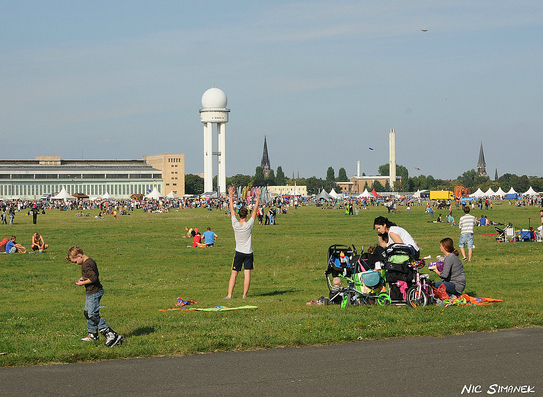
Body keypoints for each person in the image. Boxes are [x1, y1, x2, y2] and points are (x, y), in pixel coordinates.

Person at [65, 246, 123, 347]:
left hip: (94, 292)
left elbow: (93, 278)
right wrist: (82, 279)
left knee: (92, 314)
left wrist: (81, 284)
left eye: (75, 261)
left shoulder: (87, 264)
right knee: (87, 313)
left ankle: (110, 334)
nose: (76, 264)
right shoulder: (88, 262)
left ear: (79, 255)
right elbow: (88, 275)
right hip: (91, 292)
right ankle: (93, 334)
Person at [225, 185, 261, 299]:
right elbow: (255, 210)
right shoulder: (248, 225)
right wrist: (258, 197)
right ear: (246, 215)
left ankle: (229, 295)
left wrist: (230, 196)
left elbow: (231, 210)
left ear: (239, 215)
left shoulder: (235, 224)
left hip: (239, 252)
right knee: (247, 275)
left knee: (234, 274)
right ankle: (244, 295)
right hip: (248, 252)